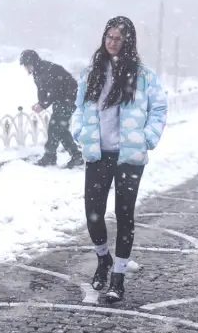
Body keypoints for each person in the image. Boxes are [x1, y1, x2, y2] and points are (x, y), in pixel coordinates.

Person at [70, 16, 168, 303]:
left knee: (125, 216)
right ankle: (104, 259)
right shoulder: (91, 73)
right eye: (109, 36)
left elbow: (159, 109)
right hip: (98, 155)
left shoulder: (143, 76)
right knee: (94, 215)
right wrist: (79, 131)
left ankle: (118, 278)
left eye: (118, 38)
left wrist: (147, 137)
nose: (112, 42)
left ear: (128, 42)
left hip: (128, 157)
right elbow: (78, 108)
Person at [19, 49, 83, 168]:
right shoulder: (38, 72)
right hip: (61, 100)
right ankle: (76, 156)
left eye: (27, 65)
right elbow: (42, 90)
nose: (26, 68)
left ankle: (50, 156)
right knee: (61, 128)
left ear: (33, 62)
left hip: (69, 98)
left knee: (55, 127)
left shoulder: (48, 70)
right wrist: (40, 103)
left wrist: (43, 105)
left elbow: (56, 90)